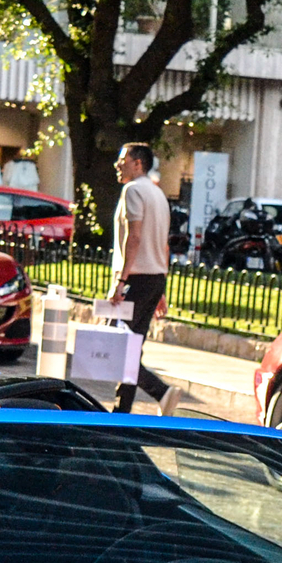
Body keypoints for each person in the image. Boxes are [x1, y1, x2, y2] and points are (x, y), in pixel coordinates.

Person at [106, 143, 181, 415]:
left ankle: (161, 391)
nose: (118, 164)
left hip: (135, 280)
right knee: (131, 347)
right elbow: (163, 245)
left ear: (138, 163)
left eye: (123, 159)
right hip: (154, 278)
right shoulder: (158, 195)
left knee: (116, 348)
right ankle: (121, 409)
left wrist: (121, 281)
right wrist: (161, 289)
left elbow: (134, 237)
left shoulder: (133, 190)